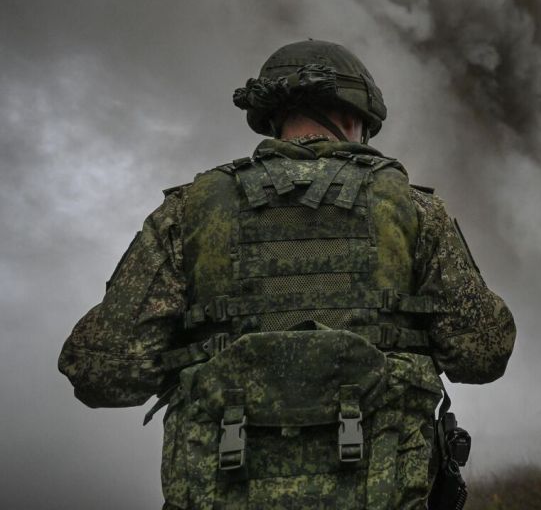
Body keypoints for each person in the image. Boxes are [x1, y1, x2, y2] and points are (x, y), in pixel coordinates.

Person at [58, 39, 516, 509]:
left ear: (273, 118)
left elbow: (102, 371)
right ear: (356, 117)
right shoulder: (412, 210)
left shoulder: (187, 213)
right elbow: (483, 353)